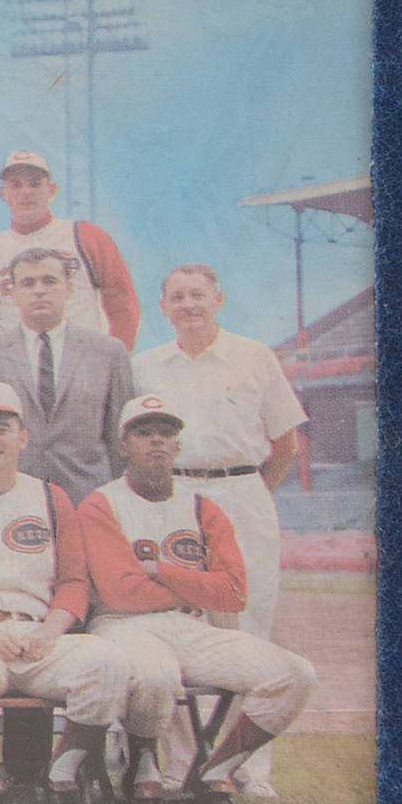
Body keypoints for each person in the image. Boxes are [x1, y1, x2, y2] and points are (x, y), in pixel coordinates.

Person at [79, 395, 317, 804]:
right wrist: (197, 588)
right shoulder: (101, 503)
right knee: (155, 673)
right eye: (143, 433)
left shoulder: (202, 506)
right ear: (123, 445)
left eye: (165, 434)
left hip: (191, 629)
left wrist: (160, 571)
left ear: (178, 447)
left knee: (295, 674)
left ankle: (215, 770)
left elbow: (234, 593)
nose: (155, 442)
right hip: (122, 626)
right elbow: (119, 592)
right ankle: (145, 761)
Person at [0, 380, 131, 804]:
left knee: (108, 662)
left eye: (2, 427)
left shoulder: (50, 497)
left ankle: (63, 772)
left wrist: (51, 631)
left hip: (36, 638)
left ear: (23, 437)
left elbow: (74, 581)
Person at [132, 263, 306, 643]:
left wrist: (251, 489)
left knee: (249, 605)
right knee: (181, 609)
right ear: (162, 306)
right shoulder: (145, 366)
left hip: (240, 490)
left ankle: (243, 702)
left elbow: (287, 444)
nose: (188, 305)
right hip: (173, 494)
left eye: (197, 295)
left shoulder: (254, 356)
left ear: (218, 300)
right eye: (177, 297)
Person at [0, 247, 132, 502]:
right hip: (15, 496)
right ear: (12, 293)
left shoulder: (108, 352)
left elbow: (119, 437)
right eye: (28, 283)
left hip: (89, 494)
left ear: (69, 288)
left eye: (49, 281)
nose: (39, 290)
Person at [0, 150, 140, 347]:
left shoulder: (83, 235)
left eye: (35, 183)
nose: (26, 192)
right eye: (15, 185)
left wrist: (116, 357)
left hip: (80, 359)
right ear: (3, 193)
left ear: (52, 190)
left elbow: (122, 303)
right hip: (11, 365)